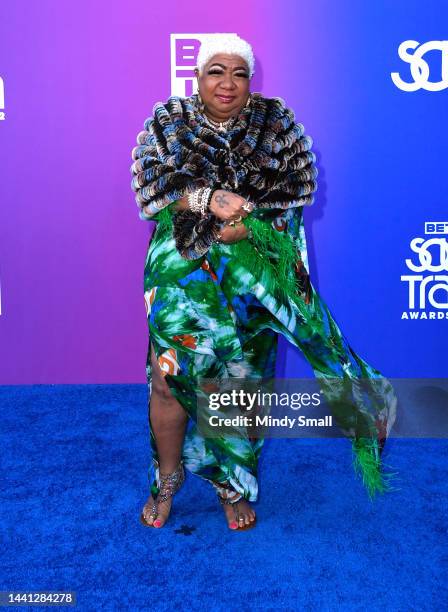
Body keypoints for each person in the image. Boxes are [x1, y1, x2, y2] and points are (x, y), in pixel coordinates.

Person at [130, 33, 397, 531]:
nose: (227, 83)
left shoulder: (276, 122)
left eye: (238, 73)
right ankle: (166, 478)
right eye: (216, 71)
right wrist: (206, 199)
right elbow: (150, 190)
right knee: (169, 382)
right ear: (198, 76)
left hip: (254, 279)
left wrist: (250, 226)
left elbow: (297, 189)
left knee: (240, 385)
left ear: (250, 80)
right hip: (182, 277)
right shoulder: (169, 122)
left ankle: (234, 484)